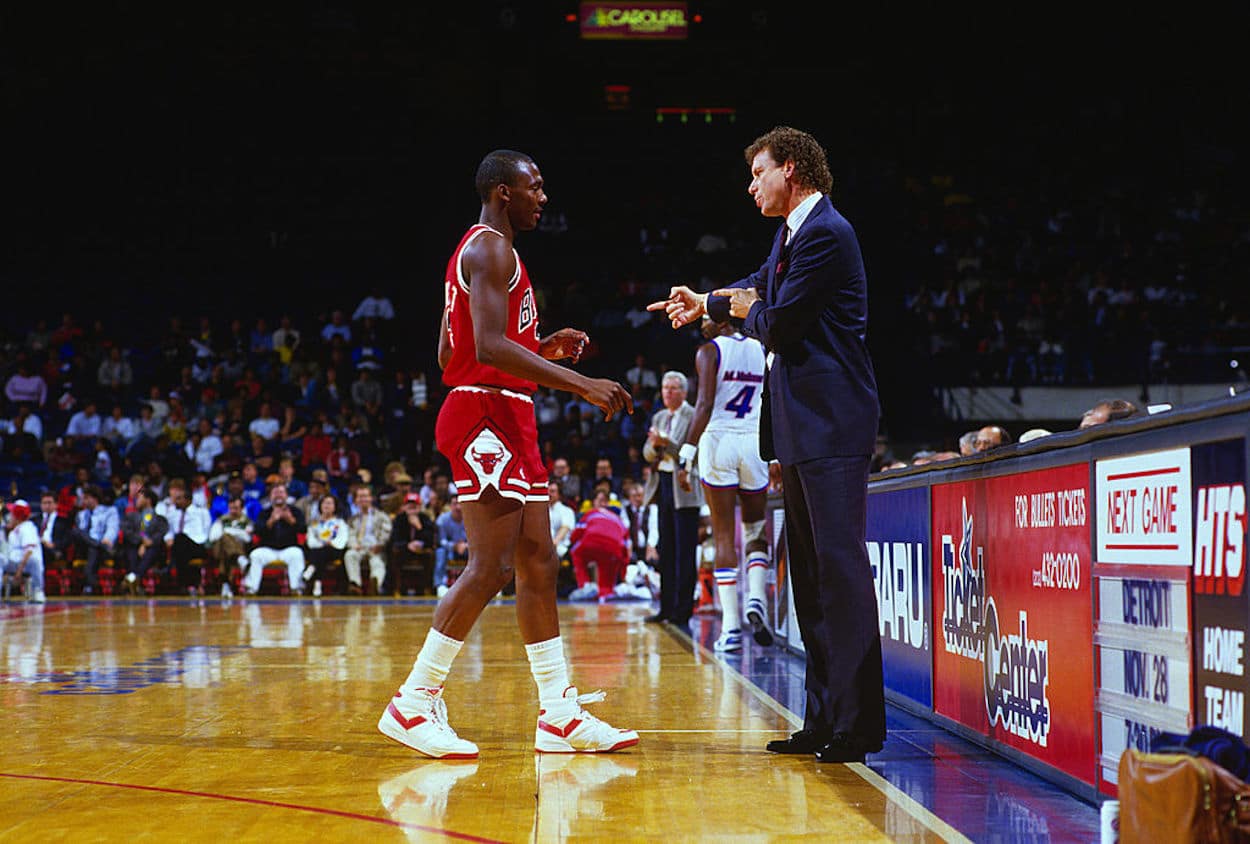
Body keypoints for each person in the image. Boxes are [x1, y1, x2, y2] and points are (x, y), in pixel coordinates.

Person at [377, 149, 636, 760]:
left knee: (539, 560)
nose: (543, 198)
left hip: (506, 411)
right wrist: (579, 383)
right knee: (490, 567)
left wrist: (541, 346)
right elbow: (485, 349)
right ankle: (413, 702)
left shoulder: (479, 252)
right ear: (501, 193)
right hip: (484, 415)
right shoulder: (491, 248)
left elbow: (453, 349)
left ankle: (559, 716)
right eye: (534, 187)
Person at [649, 126, 886, 763]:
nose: (750, 185)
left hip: (834, 424)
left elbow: (776, 321)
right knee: (808, 580)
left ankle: (858, 726)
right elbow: (755, 287)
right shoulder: (790, 235)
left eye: (758, 173)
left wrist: (742, 309)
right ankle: (822, 719)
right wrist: (708, 299)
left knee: (840, 575)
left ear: (792, 169)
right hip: (802, 427)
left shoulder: (829, 235)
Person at [677, 317, 774, 652]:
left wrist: (685, 454)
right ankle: (757, 597)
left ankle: (731, 627)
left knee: (722, 534)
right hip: (754, 441)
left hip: (719, 440)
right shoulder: (762, 348)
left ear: (720, 321)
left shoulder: (709, 351)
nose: (702, 322)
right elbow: (771, 402)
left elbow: (703, 405)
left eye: (706, 316)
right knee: (755, 529)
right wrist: (774, 455)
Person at [641, 371, 704, 627]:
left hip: (685, 486)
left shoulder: (693, 415)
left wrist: (665, 443)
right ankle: (665, 608)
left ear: (684, 391)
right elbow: (647, 453)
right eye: (665, 387)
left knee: (684, 552)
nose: (667, 392)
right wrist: (657, 446)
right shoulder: (659, 416)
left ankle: (682, 611)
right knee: (666, 549)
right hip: (663, 485)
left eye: (673, 388)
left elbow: (691, 452)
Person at [567, 490, 630, 602]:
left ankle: (585, 587)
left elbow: (575, 535)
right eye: (600, 500)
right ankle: (606, 594)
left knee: (575, 552)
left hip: (592, 544)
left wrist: (573, 542)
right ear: (593, 502)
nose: (603, 503)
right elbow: (626, 547)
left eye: (605, 501)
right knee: (607, 583)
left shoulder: (590, 513)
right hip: (614, 550)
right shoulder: (619, 520)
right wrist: (623, 573)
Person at [244, 484, 307, 596]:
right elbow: (257, 531)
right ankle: (252, 588)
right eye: (275, 493)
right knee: (255, 555)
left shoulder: (295, 511)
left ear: (287, 496)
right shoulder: (265, 512)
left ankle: (296, 588)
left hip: (289, 549)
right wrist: (271, 521)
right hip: (268, 550)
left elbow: (303, 529)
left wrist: (291, 520)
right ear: (270, 496)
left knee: (297, 554)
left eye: (281, 492)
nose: (278, 495)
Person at [163, 479, 212, 596]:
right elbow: (169, 531)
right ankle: (189, 584)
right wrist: (168, 539)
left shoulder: (201, 512)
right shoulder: (174, 513)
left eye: (179, 499)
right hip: (179, 545)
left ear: (188, 500)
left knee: (180, 540)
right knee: (179, 543)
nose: (176, 502)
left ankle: (183, 582)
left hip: (198, 544)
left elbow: (207, 530)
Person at [72, 484, 119, 595]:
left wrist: (107, 540)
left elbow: (112, 529)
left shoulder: (109, 511)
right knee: (76, 532)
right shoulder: (81, 514)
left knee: (93, 548)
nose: (84, 501)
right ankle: (91, 584)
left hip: (102, 549)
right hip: (84, 548)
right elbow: (80, 535)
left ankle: (89, 584)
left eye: (87, 498)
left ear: (95, 498)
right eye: (83, 498)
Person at [120, 488, 168, 594]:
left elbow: (160, 534)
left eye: (139, 498)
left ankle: (133, 577)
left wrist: (147, 544)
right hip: (135, 545)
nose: (136, 500)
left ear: (148, 500)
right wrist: (142, 541)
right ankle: (135, 580)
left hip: (153, 548)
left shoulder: (161, 520)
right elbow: (127, 531)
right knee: (130, 547)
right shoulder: (130, 517)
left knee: (153, 548)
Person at [345, 485, 391, 596]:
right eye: (360, 497)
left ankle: (375, 584)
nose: (363, 499)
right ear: (356, 500)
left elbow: (386, 532)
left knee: (377, 562)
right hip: (359, 547)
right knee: (350, 555)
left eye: (365, 496)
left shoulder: (381, 516)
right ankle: (355, 585)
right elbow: (349, 535)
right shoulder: (352, 519)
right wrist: (354, 545)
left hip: (375, 547)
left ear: (371, 498)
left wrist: (380, 545)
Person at [208, 495, 254, 598]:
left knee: (227, 553)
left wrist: (229, 532)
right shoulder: (221, 520)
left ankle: (226, 585)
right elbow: (213, 537)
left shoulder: (247, 522)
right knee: (225, 538)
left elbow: (248, 539)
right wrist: (236, 533)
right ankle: (240, 559)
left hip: (239, 549)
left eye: (236, 508)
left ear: (242, 508)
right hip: (218, 549)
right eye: (231, 508)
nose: (233, 511)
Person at [305, 494, 348, 597]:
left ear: (335, 507)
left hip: (334, 550)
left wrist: (331, 543)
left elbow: (343, 539)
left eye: (329, 503)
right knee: (319, 552)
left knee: (323, 552)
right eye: (324, 503)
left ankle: (312, 568)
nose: (326, 506)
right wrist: (321, 544)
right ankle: (317, 583)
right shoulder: (314, 523)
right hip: (318, 550)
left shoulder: (340, 523)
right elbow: (311, 539)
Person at [4, 500, 45, 603]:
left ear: (17, 515)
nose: (10, 516)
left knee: (33, 560)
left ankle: (38, 590)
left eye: (12, 513)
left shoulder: (28, 528)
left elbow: (29, 551)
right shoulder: (16, 529)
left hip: (26, 565)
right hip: (14, 562)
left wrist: (19, 572)